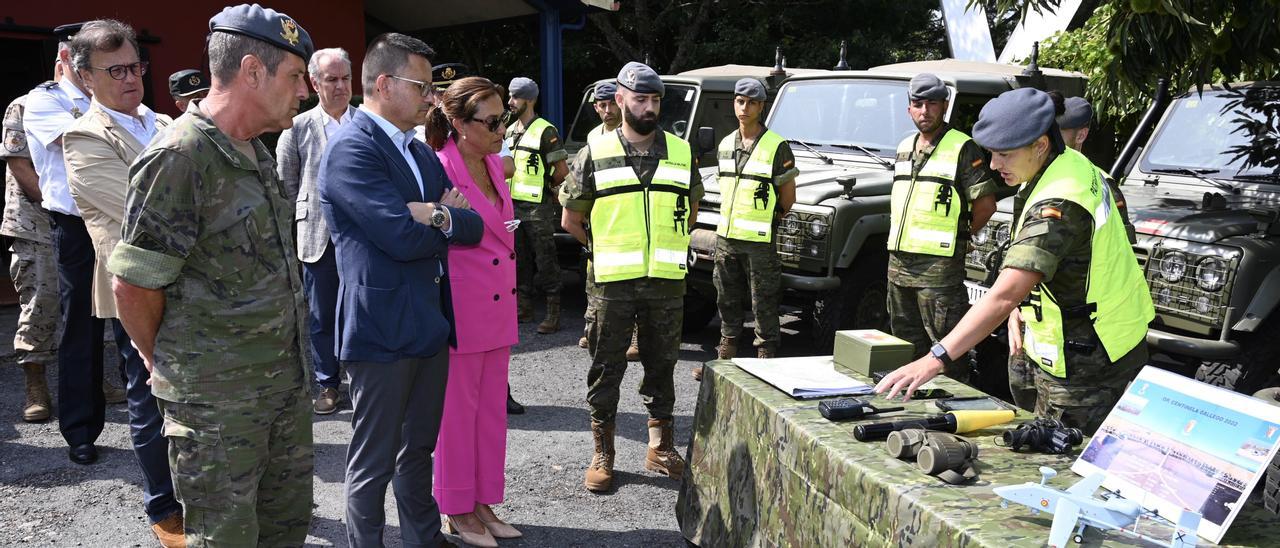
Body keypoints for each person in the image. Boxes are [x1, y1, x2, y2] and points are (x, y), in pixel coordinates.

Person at [108, 5, 316, 544]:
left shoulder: (255, 148)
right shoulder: (181, 156)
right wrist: (167, 362)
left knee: (285, 527)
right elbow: (132, 284)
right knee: (224, 536)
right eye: (295, 77)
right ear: (252, 71)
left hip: (281, 386)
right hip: (217, 405)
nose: (305, 92)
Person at [875, 88, 1154, 435]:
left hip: (1090, 356)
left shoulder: (1060, 199)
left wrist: (936, 359)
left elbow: (1007, 292)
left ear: (1040, 144)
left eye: (1004, 154)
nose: (994, 165)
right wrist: (1018, 309)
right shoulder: (1068, 165)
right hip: (1085, 338)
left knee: (1062, 462)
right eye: (992, 153)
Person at [317, 32, 482, 548]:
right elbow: (400, 237)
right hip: (381, 328)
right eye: (424, 86)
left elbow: (472, 226)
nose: (433, 98)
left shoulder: (417, 150)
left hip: (428, 324)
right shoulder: (351, 149)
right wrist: (443, 216)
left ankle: (423, 538)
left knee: (418, 453)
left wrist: (435, 216)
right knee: (374, 461)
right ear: (385, 84)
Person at [61, 19, 184, 546]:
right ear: (86, 77)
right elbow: (142, 214)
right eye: (116, 70)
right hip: (138, 291)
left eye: (135, 66)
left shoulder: (161, 121)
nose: (131, 78)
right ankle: (163, 505)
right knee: (149, 396)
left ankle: (201, 493)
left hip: (192, 286)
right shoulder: (82, 136)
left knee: (194, 396)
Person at [561, 61, 700, 493]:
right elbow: (571, 219)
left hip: (664, 282)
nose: (649, 107)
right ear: (620, 100)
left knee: (663, 365)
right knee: (606, 368)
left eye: (655, 100)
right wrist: (606, 251)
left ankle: (661, 448)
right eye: (640, 99)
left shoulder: (680, 150)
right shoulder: (594, 154)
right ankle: (603, 453)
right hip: (612, 284)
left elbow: (690, 210)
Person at [423, 76, 523, 548]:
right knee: (457, 416)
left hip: (498, 304)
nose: (504, 127)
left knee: (490, 414)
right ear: (460, 124)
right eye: (494, 120)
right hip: (462, 308)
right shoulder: (438, 167)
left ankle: (483, 501)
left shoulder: (493, 165)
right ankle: (456, 507)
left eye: (504, 117)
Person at [24, 21, 127, 465]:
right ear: (68, 61)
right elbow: (87, 140)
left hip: (119, 219)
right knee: (81, 328)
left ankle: (149, 413)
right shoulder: (43, 100)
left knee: (133, 316)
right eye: (82, 59)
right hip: (76, 226)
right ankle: (81, 430)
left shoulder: (118, 99)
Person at [884, 73, 999, 384]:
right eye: (918, 104)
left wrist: (961, 237)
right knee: (905, 346)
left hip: (938, 271)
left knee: (947, 350)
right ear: (909, 109)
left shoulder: (962, 147)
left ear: (945, 106)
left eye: (931, 104)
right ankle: (912, 404)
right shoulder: (904, 147)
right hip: (899, 267)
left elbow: (986, 204)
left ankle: (954, 406)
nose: (924, 111)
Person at [699, 77, 798, 380]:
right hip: (726, 238)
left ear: (761, 107)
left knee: (763, 301)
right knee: (726, 298)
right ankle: (725, 358)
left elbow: (788, 196)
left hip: (758, 241)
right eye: (740, 101)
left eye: (751, 102)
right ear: (734, 103)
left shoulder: (776, 146)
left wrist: (771, 219)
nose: (744, 107)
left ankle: (764, 361)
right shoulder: (727, 143)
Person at [276, 46, 354, 415]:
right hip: (317, 236)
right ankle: (327, 383)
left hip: (362, 236)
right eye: (331, 79)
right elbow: (286, 186)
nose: (340, 87)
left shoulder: (367, 123)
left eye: (345, 79)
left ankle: (362, 378)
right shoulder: (296, 128)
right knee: (321, 314)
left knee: (362, 309)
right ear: (314, 82)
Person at [3, 92, 59, 423]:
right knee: (41, 302)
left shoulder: (93, 101)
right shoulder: (24, 105)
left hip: (82, 221)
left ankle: (91, 380)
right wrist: (56, 204)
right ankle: (35, 384)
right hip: (35, 222)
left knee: (88, 308)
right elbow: (18, 164)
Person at [577, 80, 641, 363]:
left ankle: (636, 337)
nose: (607, 111)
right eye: (601, 106)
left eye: (610, 104)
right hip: (602, 220)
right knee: (595, 279)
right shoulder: (594, 137)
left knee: (635, 282)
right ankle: (593, 326)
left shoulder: (635, 135)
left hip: (630, 218)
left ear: (620, 102)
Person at [506, 77, 567, 334]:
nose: (510, 102)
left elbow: (561, 170)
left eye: (515, 97)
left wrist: (545, 187)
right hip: (512, 206)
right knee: (518, 259)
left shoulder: (545, 130)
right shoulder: (509, 131)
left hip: (537, 207)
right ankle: (524, 307)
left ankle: (553, 313)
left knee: (546, 260)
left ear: (529, 100)